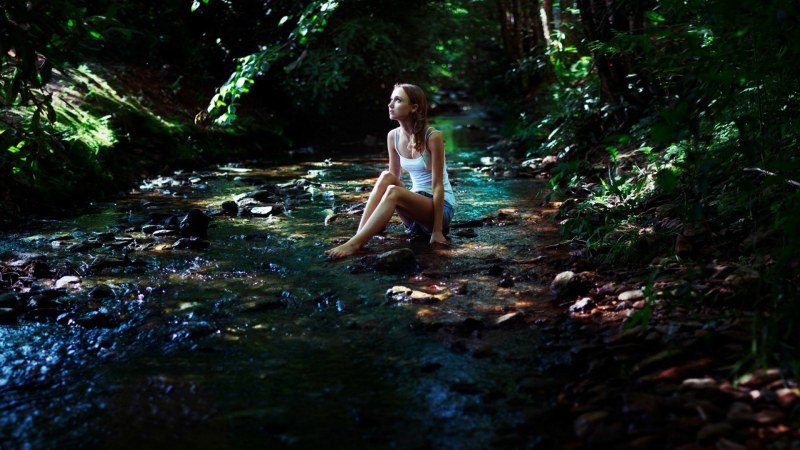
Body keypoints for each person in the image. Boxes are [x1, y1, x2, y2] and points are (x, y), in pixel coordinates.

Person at [325, 83, 457, 258]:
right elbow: (391, 180)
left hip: (440, 210)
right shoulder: (393, 136)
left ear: (414, 107)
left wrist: (437, 231)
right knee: (386, 177)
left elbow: (438, 186)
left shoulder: (433, 137)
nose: (390, 104)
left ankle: (355, 244)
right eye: (391, 99)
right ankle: (358, 237)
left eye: (398, 100)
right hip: (414, 210)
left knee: (394, 191)